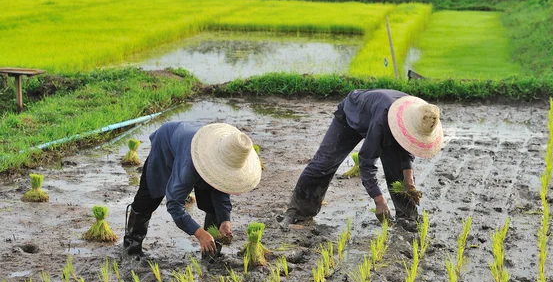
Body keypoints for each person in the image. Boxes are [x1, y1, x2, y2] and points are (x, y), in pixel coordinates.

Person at [278, 89, 443, 228]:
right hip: (352, 115)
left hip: (379, 114)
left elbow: (407, 149)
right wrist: (379, 200)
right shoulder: (383, 121)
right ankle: (299, 211)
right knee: (325, 162)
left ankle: (408, 218)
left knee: (398, 167)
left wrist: (409, 181)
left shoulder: (419, 114)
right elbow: (366, 162)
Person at [123, 121, 262, 256]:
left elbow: (221, 190)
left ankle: (211, 252)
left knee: (213, 205)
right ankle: (132, 247)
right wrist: (199, 233)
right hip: (166, 147)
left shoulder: (226, 154)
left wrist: (225, 220)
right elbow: (174, 204)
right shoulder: (189, 166)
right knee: (147, 199)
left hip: (193, 149)